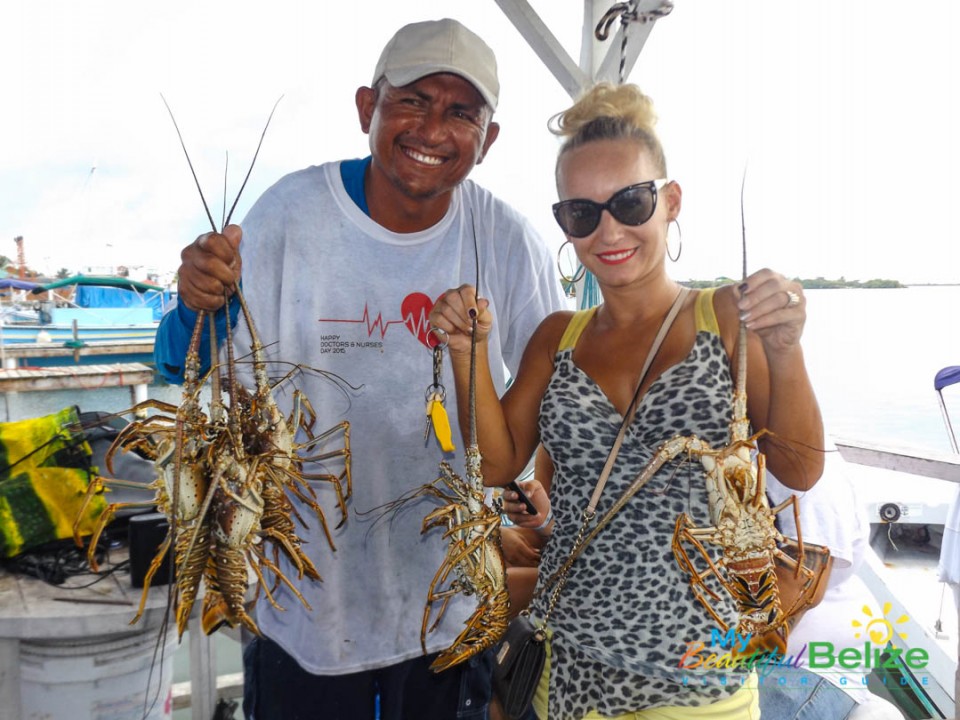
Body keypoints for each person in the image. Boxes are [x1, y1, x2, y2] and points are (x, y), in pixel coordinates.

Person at [153, 17, 566, 720]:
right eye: (411, 101)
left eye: (461, 112)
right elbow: (178, 361)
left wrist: (542, 485)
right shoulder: (291, 213)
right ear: (367, 109)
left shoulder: (506, 238)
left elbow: (559, 387)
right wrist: (198, 303)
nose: (434, 128)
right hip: (300, 613)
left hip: (445, 606)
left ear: (488, 139)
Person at [429, 82, 826, 719]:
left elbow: (800, 468)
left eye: (630, 202)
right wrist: (466, 350)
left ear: (670, 202)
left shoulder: (723, 315)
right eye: (582, 213)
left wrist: (785, 344)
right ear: (564, 224)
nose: (608, 230)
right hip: (568, 669)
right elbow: (499, 466)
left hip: (696, 680)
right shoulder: (557, 337)